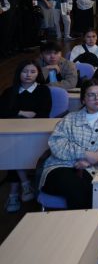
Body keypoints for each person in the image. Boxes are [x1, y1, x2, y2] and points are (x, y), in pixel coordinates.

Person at [39, 79, 98, 263]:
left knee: (83, 189)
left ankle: (88, 243)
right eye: (91, 95)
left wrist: (96, 158)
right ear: (83, 99)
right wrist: (84, 154)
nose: (97, 98)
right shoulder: (71, 118)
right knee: (77, 187)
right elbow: (56, 144)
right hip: (60, 166)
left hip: (92, 169)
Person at [0, 61, 52, 212]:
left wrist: (16, 113)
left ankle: (13, 193)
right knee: (11, 147)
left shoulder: (43, 90)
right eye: (25, 71)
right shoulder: (10, 91)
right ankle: (25, 184)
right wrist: (21, 112)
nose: (28, 75)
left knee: (13, 151)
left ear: (38, 74)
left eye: (32, 72)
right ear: (18, 73)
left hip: (35, 133)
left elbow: (44, 114)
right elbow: (2, 112)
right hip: (13, 133)